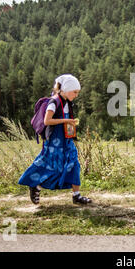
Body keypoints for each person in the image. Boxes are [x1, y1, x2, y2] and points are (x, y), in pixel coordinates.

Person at [18, 74, 92, 205]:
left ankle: (76, 195)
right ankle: (35, 185)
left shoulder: (68, 103)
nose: (76, 95)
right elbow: (47, 121)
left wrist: (70, 124)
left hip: (66, 140)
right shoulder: (54, 102)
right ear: (66, 90)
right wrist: (66, 120)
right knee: (52, 166)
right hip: (54, 141)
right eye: (74, 92)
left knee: (74, 162)